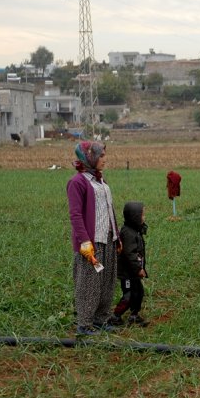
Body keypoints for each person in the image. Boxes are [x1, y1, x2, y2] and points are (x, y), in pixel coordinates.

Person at [67, 141, 120, 335]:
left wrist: (117, 235)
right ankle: (84, 323)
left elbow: (109, 209)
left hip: (108, 237)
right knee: (89, 282)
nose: (105, 159)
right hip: (92, 240)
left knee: (107, 280)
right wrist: (84, 241)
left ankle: (101, 318)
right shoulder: (78, 182)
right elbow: (75, 215)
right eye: (101, 156)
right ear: (89, 157)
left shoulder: (101, 181)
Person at [110, 201, 149, 326]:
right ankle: (116, 315)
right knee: (129, 295)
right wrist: (139, 269)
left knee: (139, 293)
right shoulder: (127, 233)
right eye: (142, 215)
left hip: (134, 273)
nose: (144, 217)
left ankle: (134, 315)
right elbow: (130, 254)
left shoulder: (135, 230)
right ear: (135, 217)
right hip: (128, 273)